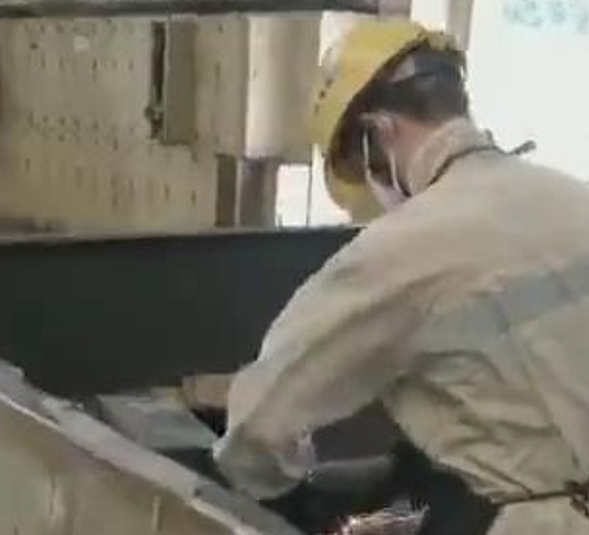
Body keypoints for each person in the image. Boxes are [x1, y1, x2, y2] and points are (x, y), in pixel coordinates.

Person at [213, 18, 589, 535]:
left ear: (378, 134)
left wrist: (290, 489)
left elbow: (256, 428)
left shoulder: (401, 249)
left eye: (360, 167)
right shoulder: (573, 199)